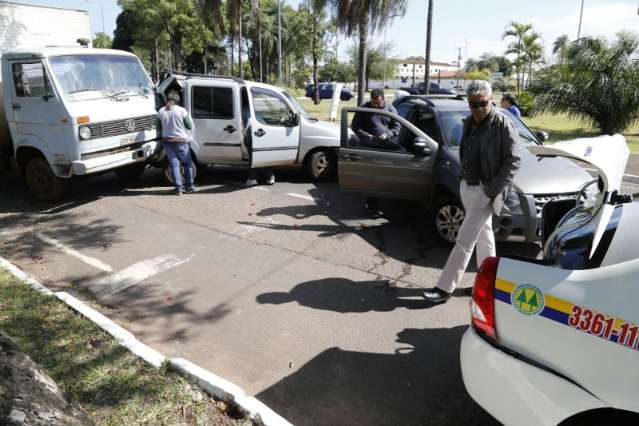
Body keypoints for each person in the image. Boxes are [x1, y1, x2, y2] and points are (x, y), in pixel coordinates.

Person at [422, 80, 521, 304]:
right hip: (468, 186)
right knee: (485, 239)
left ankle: (444, 288)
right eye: (473, 105)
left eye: (482, 104)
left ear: (490, 99)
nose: (478, 109)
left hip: (485, 192)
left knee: (464, 241)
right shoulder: (469, 122)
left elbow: (513, 161)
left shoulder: (503, 124)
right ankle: (488, 285)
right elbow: (464, 149)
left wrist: (490, 191)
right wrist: (463, 181)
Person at [351, 88, 401, 217]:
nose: (376, 106)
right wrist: (367, 136)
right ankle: (373, 207)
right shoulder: (364, 109)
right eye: (374, 103)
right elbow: (355, 127)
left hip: (386, 147)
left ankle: (388, 200)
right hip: (369, 147)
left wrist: (388, 134)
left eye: (378, 103)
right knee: (373, 177)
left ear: (383, 99)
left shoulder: (391, 109)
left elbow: (397, 127)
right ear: (370, 100)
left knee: (386, 176)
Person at [158, 91, 195, 195]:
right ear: (177, 100)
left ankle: (178, 189)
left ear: (167, 99)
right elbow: (189, 126)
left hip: (167, 141)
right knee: (187, 164)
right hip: (181, 141)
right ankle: (189, 187)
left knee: (174, 165)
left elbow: (158, 126)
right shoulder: (182, 110)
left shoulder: (161, 111)